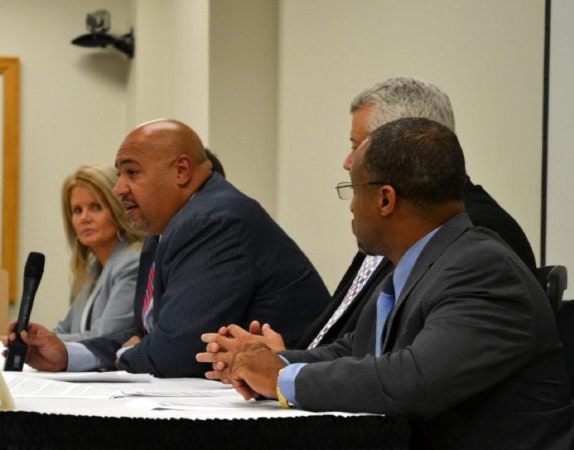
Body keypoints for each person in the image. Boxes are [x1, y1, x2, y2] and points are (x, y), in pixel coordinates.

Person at [219, 118, 574, 449]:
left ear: (385, 199)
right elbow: (357, 351)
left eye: (353, 189)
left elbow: (414, 380)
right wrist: (265, 362)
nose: (350, 208)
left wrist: (283, 379)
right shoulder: (427, 260)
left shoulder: (483, 269)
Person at [197, 77, 538, 362]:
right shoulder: (396, 225)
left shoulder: (473, 234)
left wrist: (286, 375)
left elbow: (407, 369)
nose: (348, 162)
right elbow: (360, 340)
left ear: (403, 144)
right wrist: (282, 360)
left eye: (358, 146)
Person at [7, 119, 330, 377]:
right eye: (119, 174)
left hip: (295, 400)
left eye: (131, 172)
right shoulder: (162, 229)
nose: (119, 189)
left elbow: (176, 353)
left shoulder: (211, 221)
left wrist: (129, 352)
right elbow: (143, 333)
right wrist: (67, 355)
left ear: (181, 171)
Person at [53, 165, 145, 342]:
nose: (84, 218)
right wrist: (24, 339)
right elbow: (64, 330)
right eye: (77, 210)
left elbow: (104, 337)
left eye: (95, 207)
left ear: (118, 210)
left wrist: (38, 346)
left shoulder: (132, 262)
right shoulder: (89, 270)